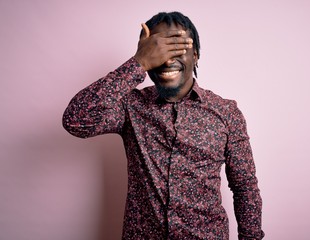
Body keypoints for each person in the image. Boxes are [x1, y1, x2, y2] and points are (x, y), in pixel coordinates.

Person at [63, 11, 264, 240]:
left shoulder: (226, 112)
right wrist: (137, 63)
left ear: (195, 55)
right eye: (158, 50)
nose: (167, 60)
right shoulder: (130, 107)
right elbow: (75, 121)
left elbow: (245, 188)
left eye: (177, 48)